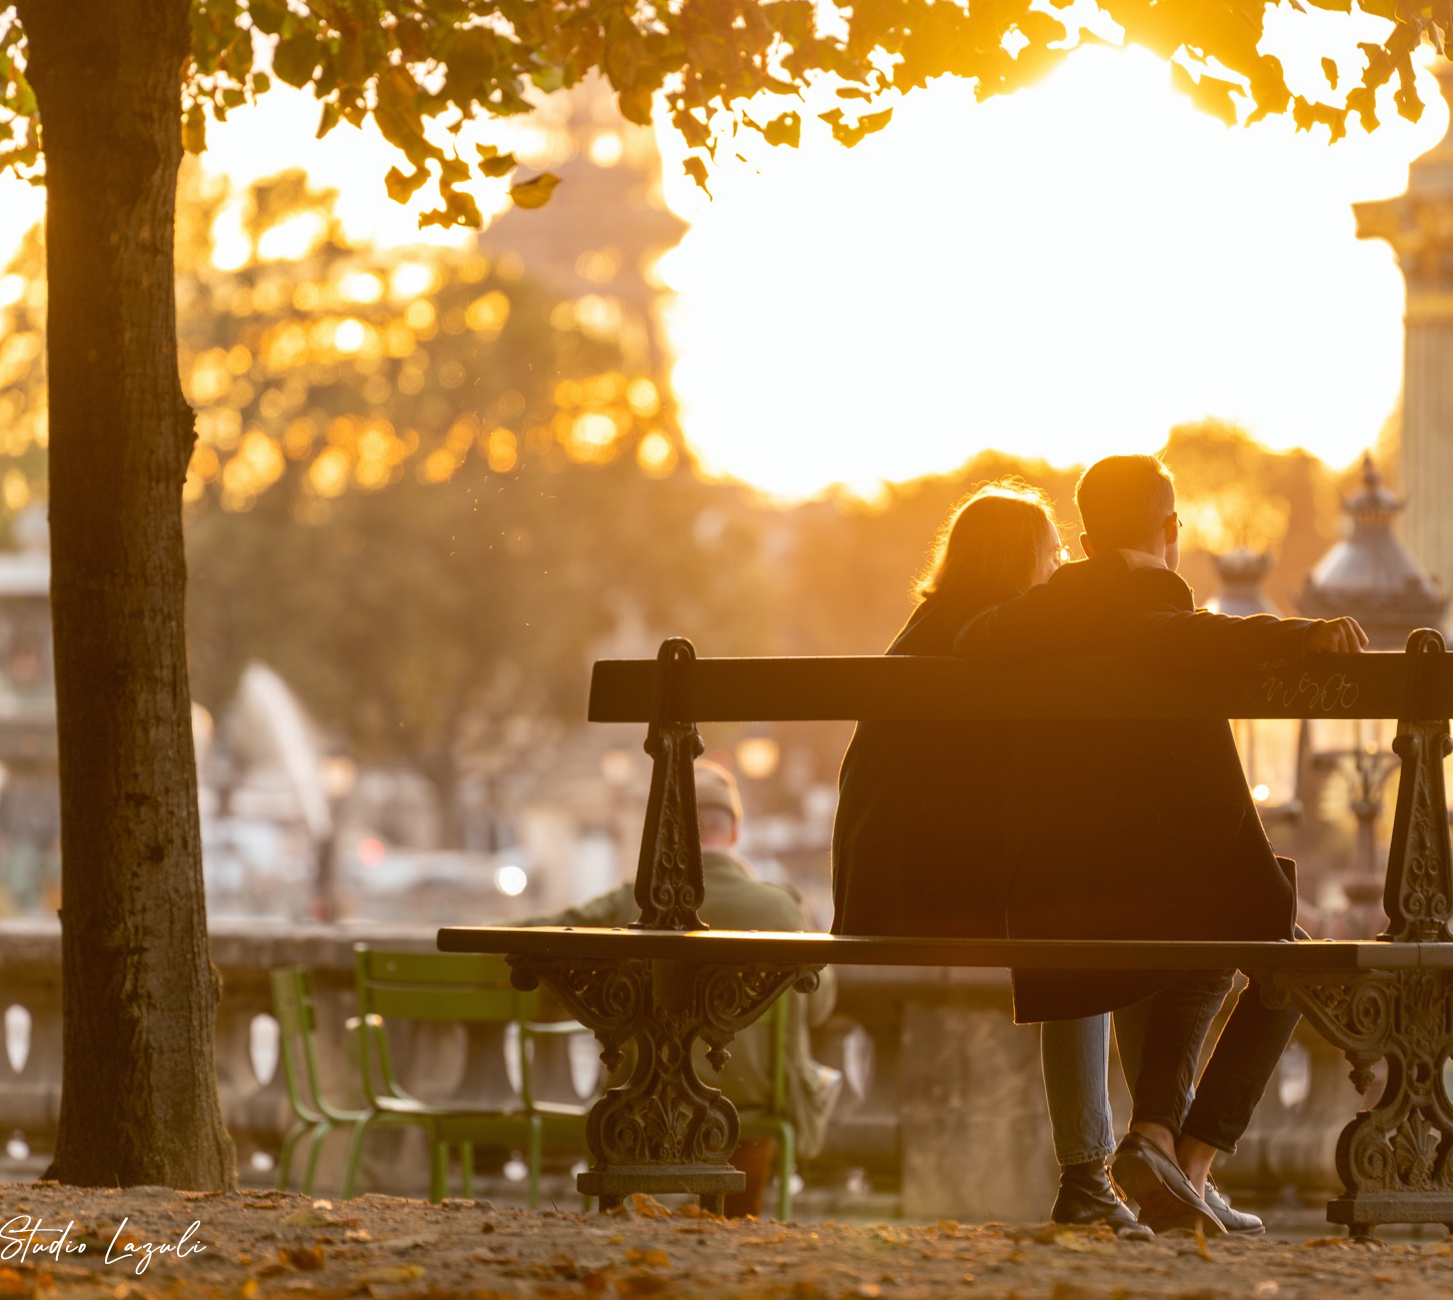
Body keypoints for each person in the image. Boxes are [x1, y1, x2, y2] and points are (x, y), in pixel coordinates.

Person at [955, 453, 1366, 1235]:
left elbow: (979, 637)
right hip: (1157, 881)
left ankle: (1164, 1152)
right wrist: (1299, 634)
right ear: (1171, 530)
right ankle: (1187, 1157)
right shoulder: (1155, 600)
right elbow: (1175, 636)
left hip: (1061, 882)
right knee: (1290, 955)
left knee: (1214, 934)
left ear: (1080, 541)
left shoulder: (1044, 612)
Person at [832, 481, 1152, 1238]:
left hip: (885, 879)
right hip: (929, 884)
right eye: (1047, 554)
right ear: (1019, 562)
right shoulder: (996, 634)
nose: (1055, 568)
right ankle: (1103, 1167)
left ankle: (1119, 1164)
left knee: (1097, 920)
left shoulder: (930, 626)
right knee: (1090, 933)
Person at [521, 760, 839, 1218]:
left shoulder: (632, 901)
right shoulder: (780, 908)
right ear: (733, 831)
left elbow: (544, 933)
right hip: (751, 1108)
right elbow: (819, 1004)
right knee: (757, 1095)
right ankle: (736, 1225)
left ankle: (623, 1230)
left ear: (667, 832)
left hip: (638, 1106)